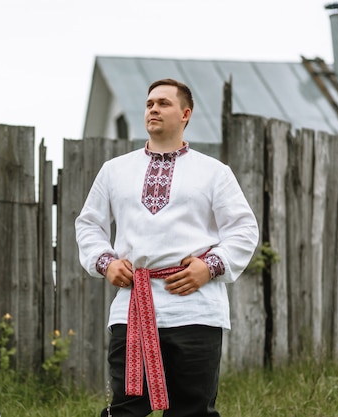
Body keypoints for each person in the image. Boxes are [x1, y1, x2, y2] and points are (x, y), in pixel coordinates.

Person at [75, 78, 259, 417]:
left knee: (191, 410)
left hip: (196, 308)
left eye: (163, 103)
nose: (153, 109)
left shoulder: (213, 173)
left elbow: (244, 229)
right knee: (127, 409)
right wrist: (106, 263)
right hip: (133, 305)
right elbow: (89, 225)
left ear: (185, 114)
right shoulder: (115, 171)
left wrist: (211, 266)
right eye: (149, 104)